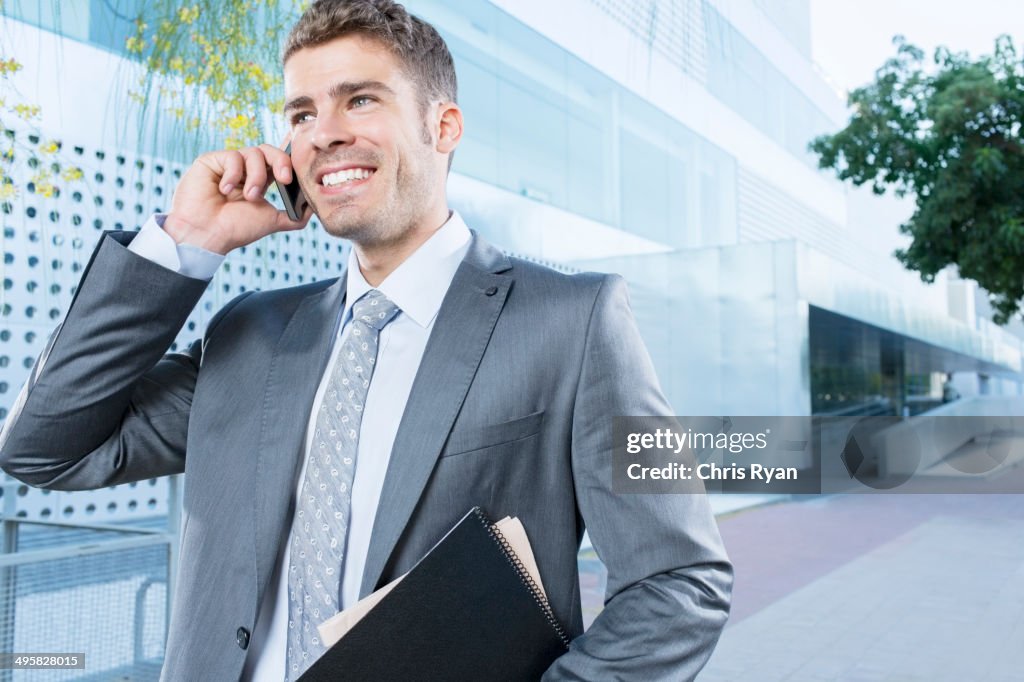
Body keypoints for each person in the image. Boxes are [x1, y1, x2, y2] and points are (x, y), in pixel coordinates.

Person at [0, 1, 732, 680]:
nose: (323, 132)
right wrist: (186, 243)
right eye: (301, 112)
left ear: (443, 127)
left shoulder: (576, 321)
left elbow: (680, 580)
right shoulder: (249, 336)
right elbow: (45, 446)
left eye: (360, 99)